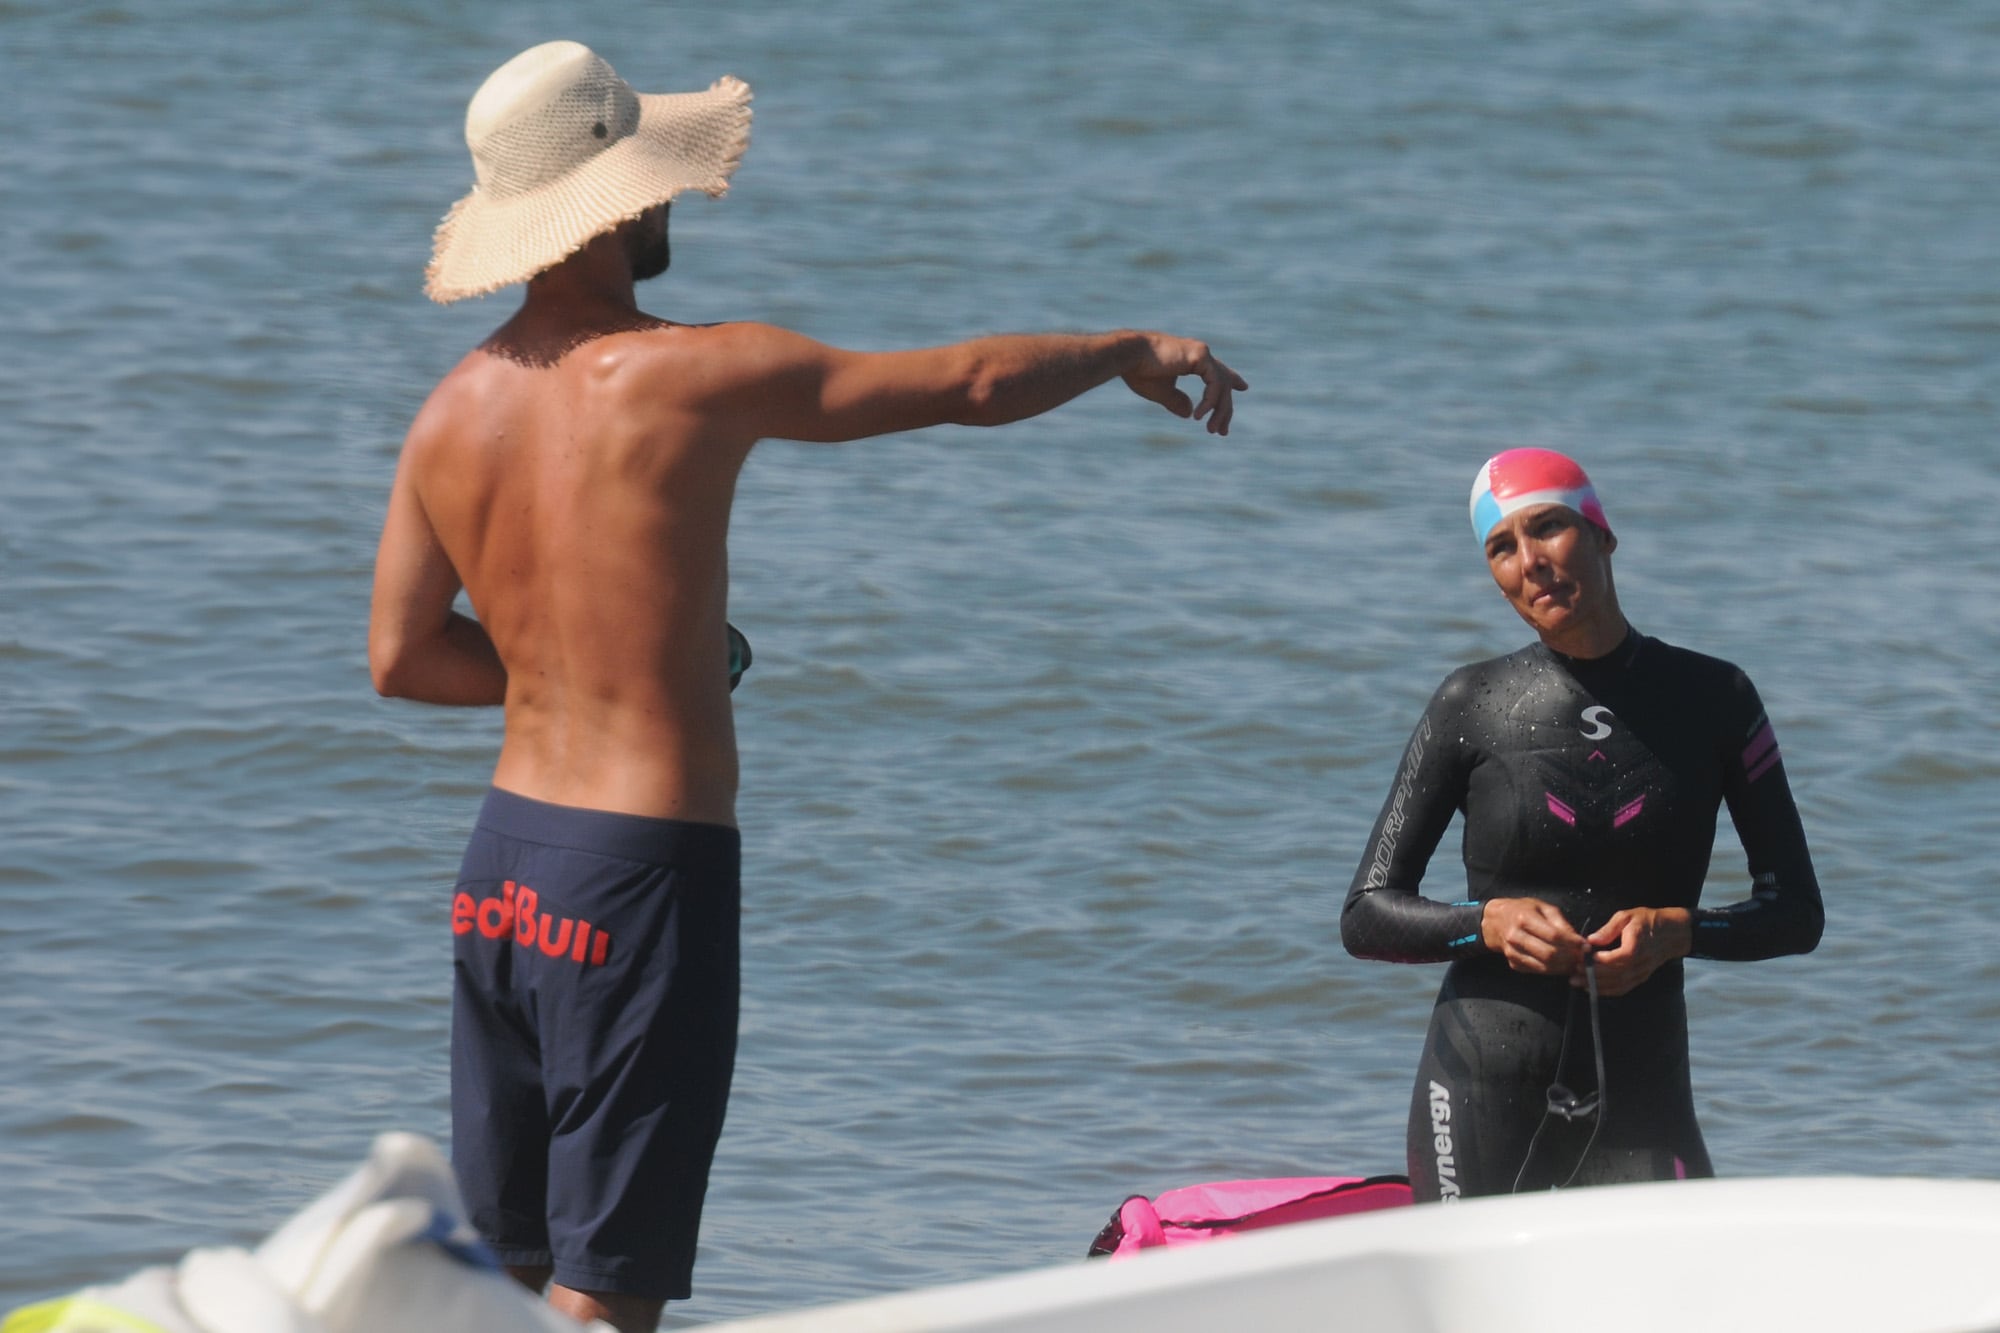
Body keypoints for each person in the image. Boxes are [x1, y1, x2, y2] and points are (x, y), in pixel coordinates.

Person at [367, 39, 1246, 1333]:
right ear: (624, 193)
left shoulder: (450, 411)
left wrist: (583, 666)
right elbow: (968, 384)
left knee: (498, 1270)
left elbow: (403, 658)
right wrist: (1123, 346)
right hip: (636, 874)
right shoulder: (688, 371)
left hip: (505, 872)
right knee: (606, 1286)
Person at [1340, 448, 1822, 1203]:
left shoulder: (1716, 698)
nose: (1529, 561)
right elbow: (1366, 913)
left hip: (1644, 1087)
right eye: (1502, 547)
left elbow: (1797, 912)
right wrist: (1485, 924)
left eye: (1549, 527)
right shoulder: (1470, 703)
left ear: (1602, 535)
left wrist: (1683, 931)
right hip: (1479, 1085)